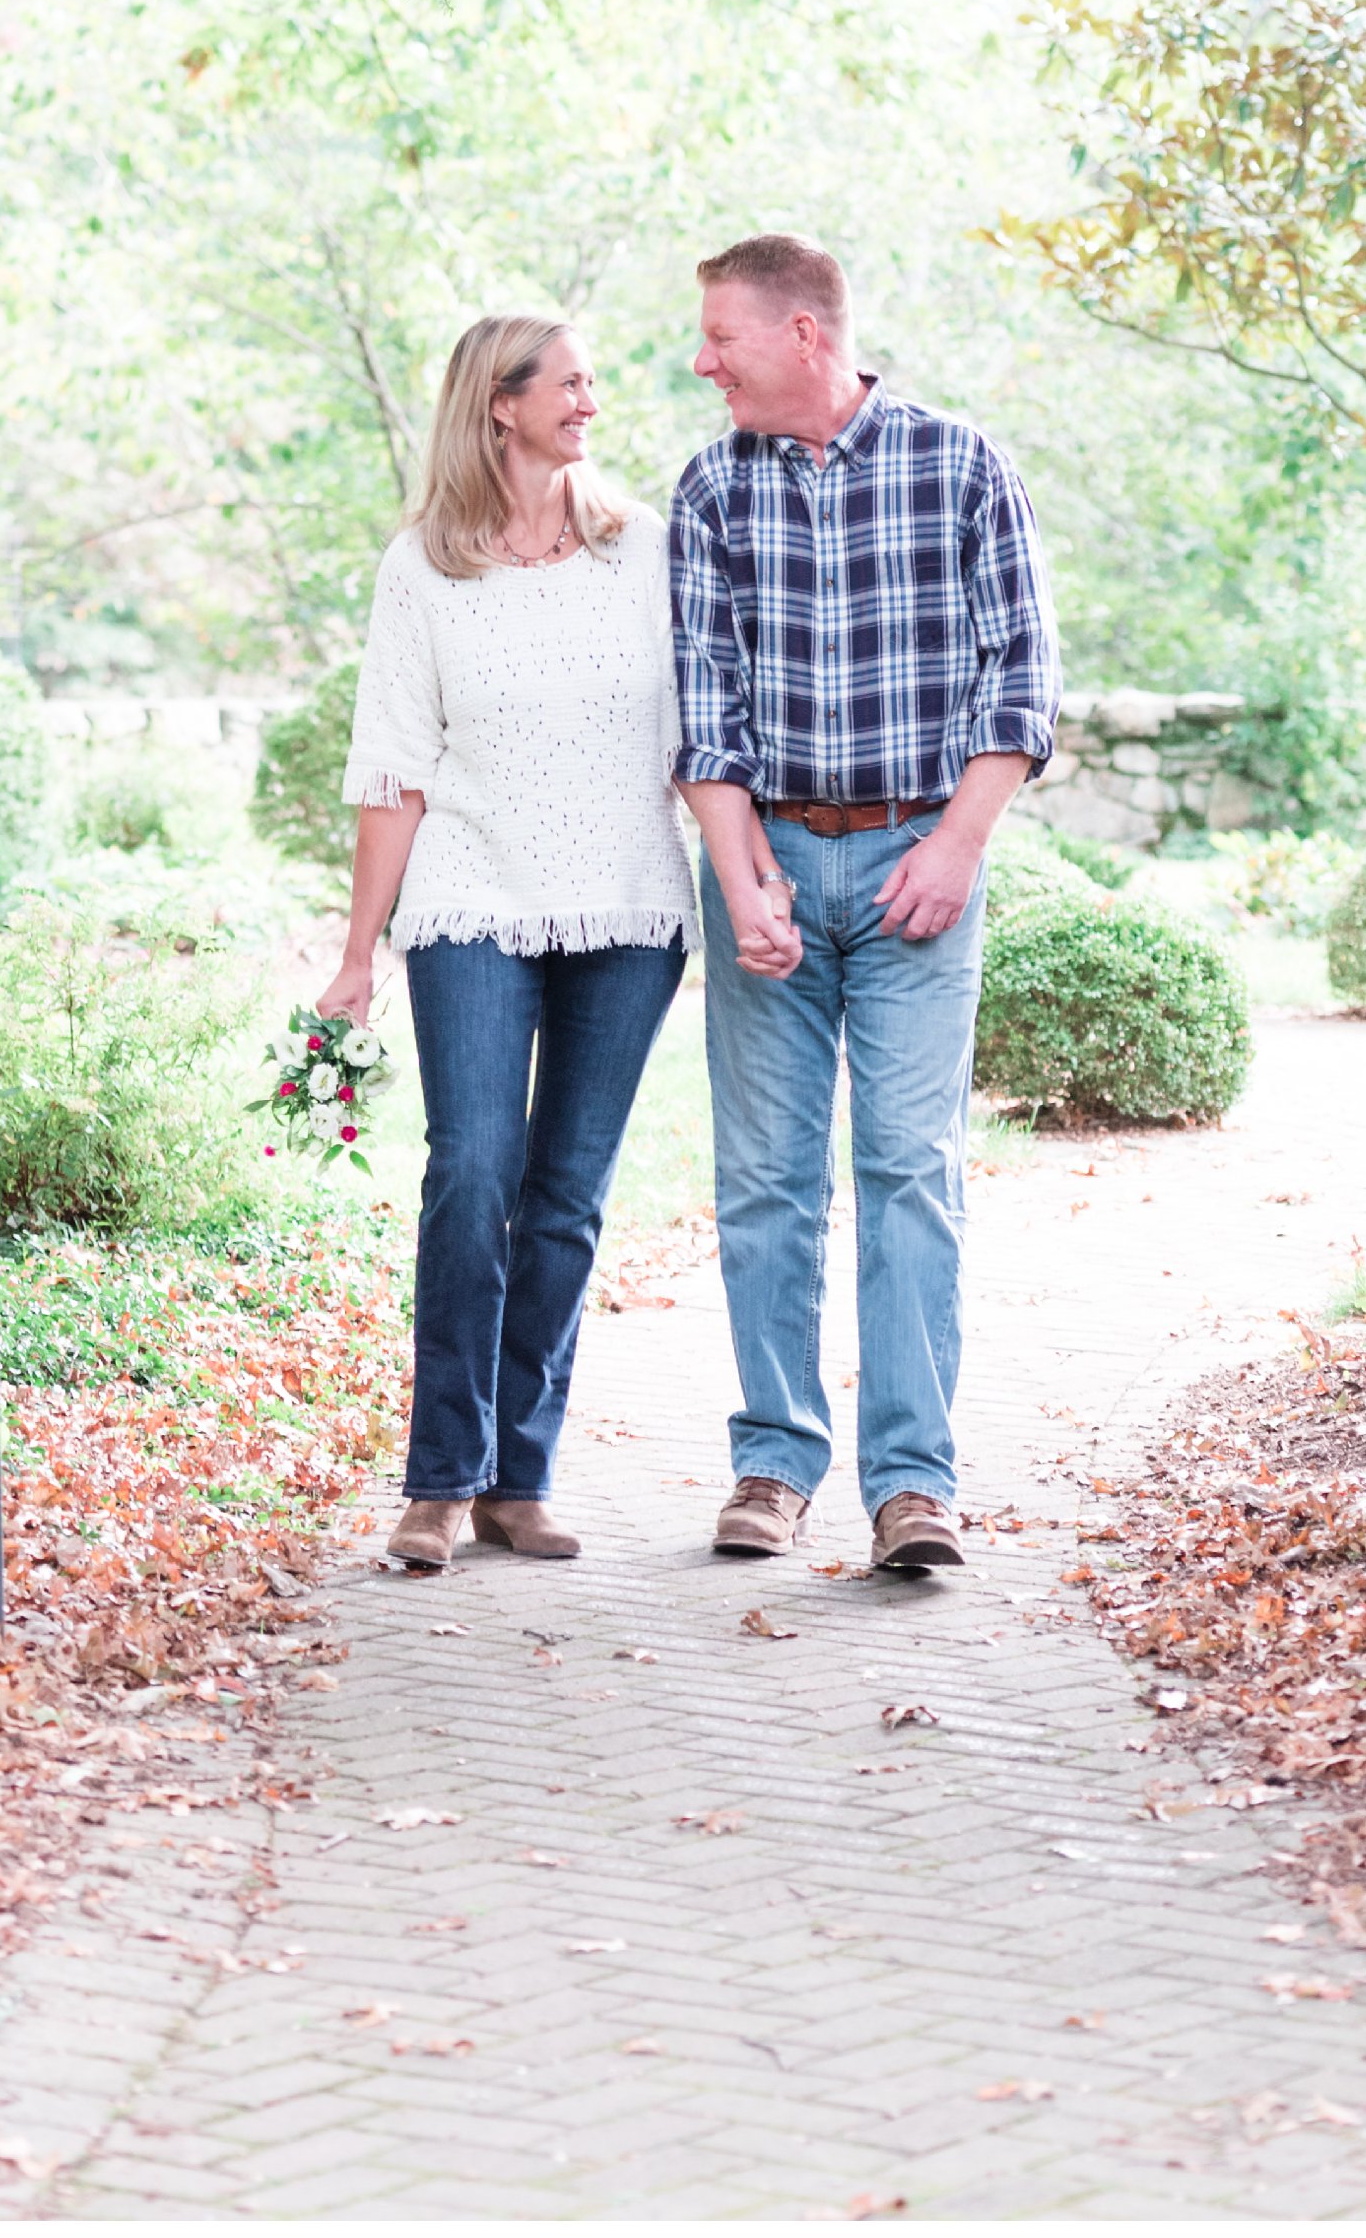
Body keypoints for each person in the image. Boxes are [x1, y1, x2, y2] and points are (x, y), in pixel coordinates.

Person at [669, 233, 1060, 1576]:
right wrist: (740, 876)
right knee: (766, 1184)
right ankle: (773, 1461)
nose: (700, 359)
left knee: (909, 1175)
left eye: (721, 334)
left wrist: (956, 845)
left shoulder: (959, 465)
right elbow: (700, 700)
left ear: (804, 335)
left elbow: (1020, 680)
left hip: (915, 869)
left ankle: (912, 1486)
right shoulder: (711, 484)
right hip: (766, 860)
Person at [318, 313, 697, 1573]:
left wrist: (750, 882)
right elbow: (393, 772)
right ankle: (438, 1476)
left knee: (566, 1198)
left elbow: (704, 732)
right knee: (473, 1169)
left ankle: (517, 1478)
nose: (592, 398)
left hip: (630, 909)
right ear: (501, 404)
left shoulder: (642, 549)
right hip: (471, 897)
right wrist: (358, 953)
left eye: (593, 377)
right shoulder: (422, 569)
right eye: (571, 381)